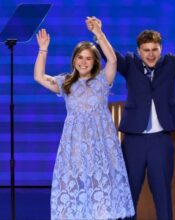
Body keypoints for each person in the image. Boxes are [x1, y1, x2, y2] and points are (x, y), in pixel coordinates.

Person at [95, 9, 175, 220]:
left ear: (160, 49)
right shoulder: (130, 65)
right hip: (134, 141)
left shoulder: (170, 65)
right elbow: (110, 56)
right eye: (146, 49)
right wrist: (99, 34)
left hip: (161, 141)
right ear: (139, 51)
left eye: (154, 49)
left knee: (162, 195)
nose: (150, 54)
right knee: (128, 193)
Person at [34, 17, 135, 219]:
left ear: (95, 62)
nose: (83, 62)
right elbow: (39, 76)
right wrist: (43, 49)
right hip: (75, 146)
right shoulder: (66, 83)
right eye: (80, 58)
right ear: (74, 61)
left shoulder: (103, 80)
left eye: (88, 58)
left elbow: (113, 59)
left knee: (100, 190)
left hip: (101, 146)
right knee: (78, 190)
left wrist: (98, 33)